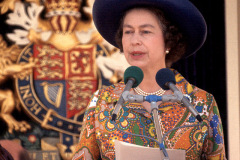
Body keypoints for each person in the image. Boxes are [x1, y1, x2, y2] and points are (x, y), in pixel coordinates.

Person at [72, 0, 226, 159]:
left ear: (168, 40)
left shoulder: (202, 103)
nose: (134, 41)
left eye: (145, 31)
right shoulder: (101, 101)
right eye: (128, 32)